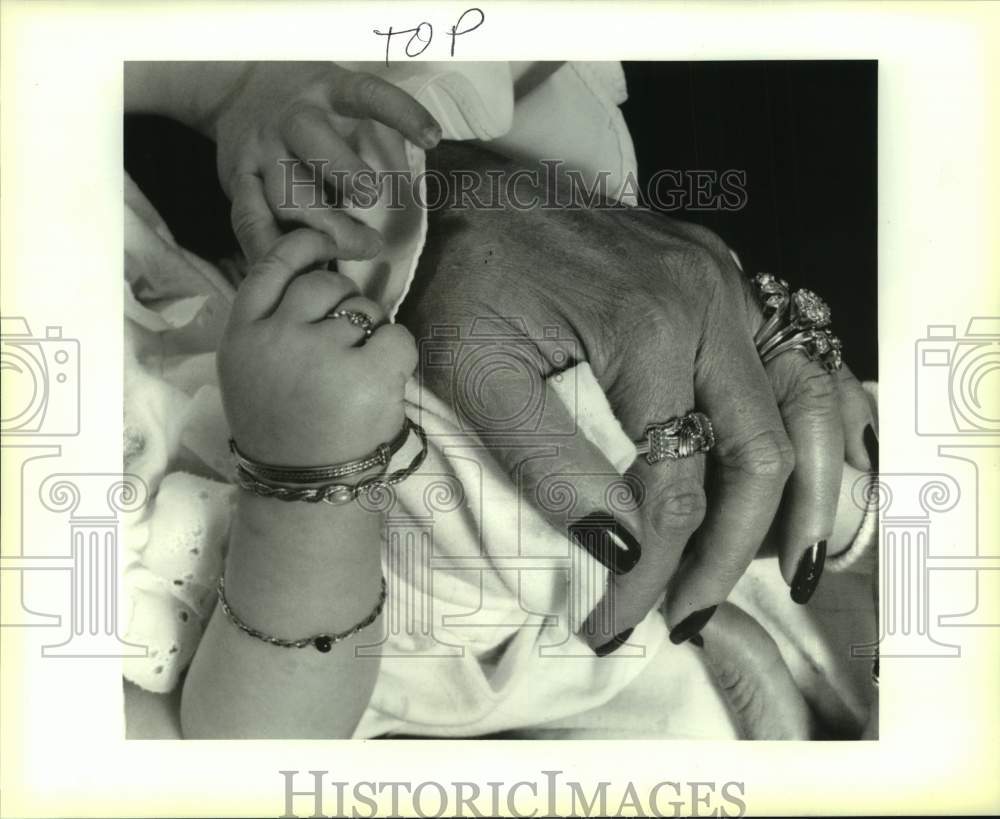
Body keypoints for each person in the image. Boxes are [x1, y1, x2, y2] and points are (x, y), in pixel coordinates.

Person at [123, 61, 878, 740]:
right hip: (361, 614)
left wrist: (243, 85)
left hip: (318, 338)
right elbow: (234, 757)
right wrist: (305, 483)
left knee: (740, 444)